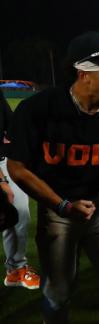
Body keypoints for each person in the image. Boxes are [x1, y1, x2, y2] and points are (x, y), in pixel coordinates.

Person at [6, 31, 99, 323]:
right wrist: (62, 206)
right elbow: (18, 167)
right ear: (84, 73)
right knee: (58, 290)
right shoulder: (39, 109)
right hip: (56, 204)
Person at [0, 90, 39, 290]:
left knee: (17, 217)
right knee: (14, 216)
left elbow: (11, 123)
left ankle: (14, 270)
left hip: (8, 161)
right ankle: (18, 267)